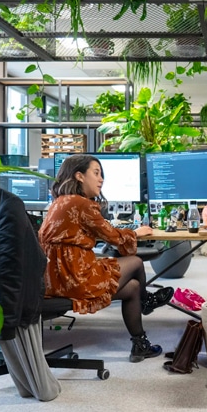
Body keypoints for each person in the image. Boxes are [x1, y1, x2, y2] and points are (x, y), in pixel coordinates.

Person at [38, 154, 174, 363]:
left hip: (55, 278)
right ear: (79, 176)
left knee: (133, 288)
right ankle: (147, 302)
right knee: (136, 262)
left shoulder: (59, 202)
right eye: (96, 173)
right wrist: (136, 233)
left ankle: (140, 345)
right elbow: (112, 236)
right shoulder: (80, 203)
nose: (102, 179)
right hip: (74, 277)